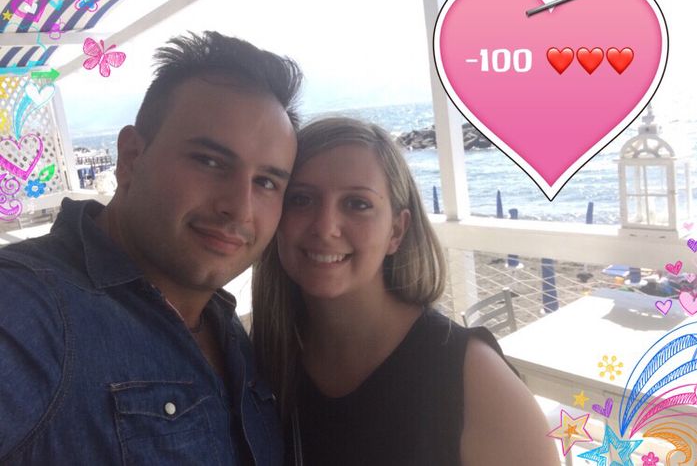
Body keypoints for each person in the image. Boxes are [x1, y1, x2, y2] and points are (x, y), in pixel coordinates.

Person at [0, 31, 302, 465]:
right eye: (210, 161)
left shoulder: (223, 326)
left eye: (267, 182)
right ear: (131, 157)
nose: (240, 208)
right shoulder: (31, 309)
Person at [252, 117, 559, 466]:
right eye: (301, 199)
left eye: (357, 204)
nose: (325, 227)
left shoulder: (470, 378)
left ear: (396, 231)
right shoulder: (263, 363)